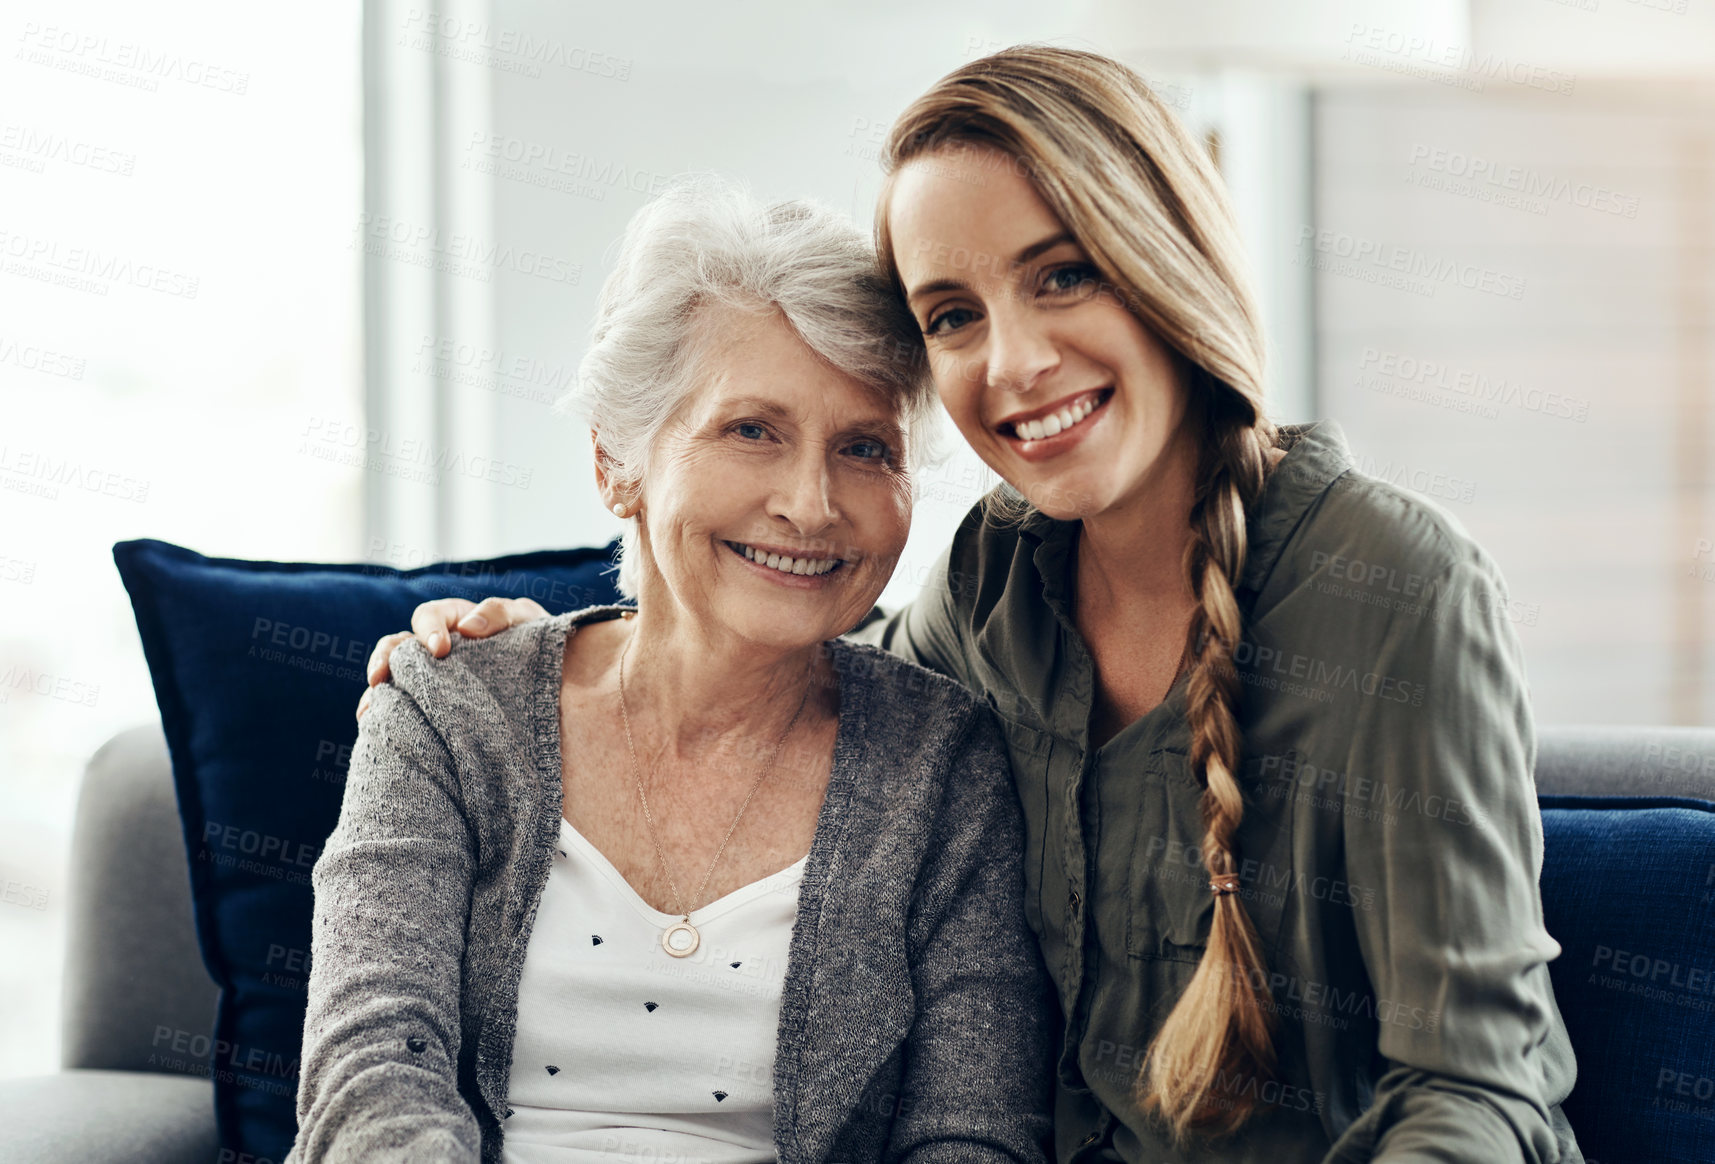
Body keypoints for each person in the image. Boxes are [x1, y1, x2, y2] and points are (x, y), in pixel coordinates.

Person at [363, 48, 1583, 1164]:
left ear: (1168, 262)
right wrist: (538, 659)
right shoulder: (998, 581)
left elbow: (1477, 1093)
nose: (1011, 363)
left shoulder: (1389, 586)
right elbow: (784, 665)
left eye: (1061, 275)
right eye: (952, 315)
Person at [288, 177, 1054, 1164]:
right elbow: (370, 1075)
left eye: (865, 448)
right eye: (751, 430)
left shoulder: (942, 763)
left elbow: (973, 1135)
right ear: (617, 459)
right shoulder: (448, 703)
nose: (812, 504)